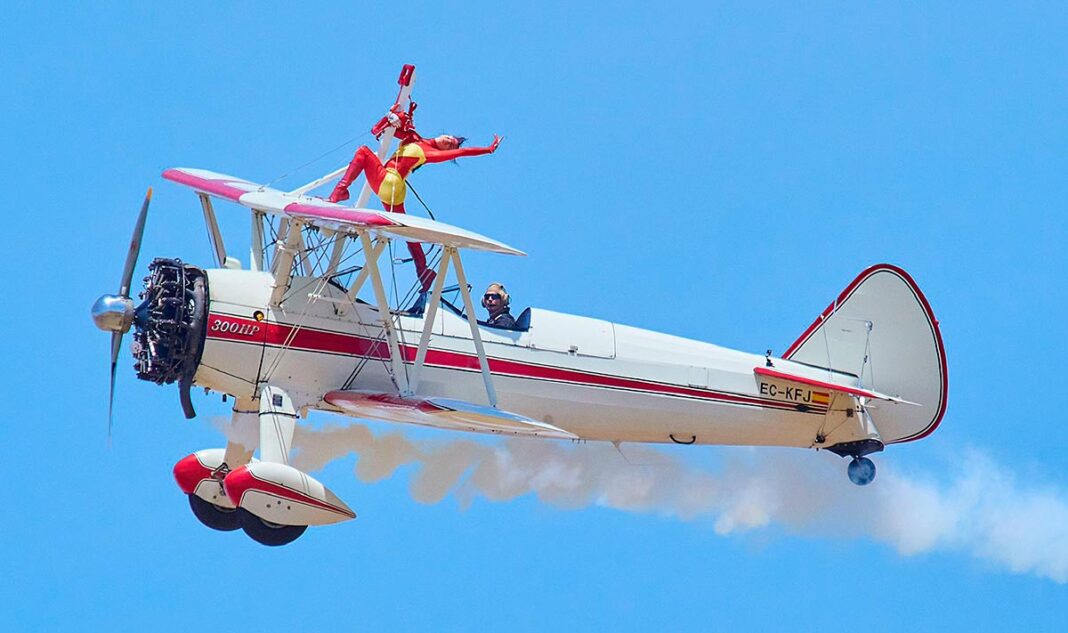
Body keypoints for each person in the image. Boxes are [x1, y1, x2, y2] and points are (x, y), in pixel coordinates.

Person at [327, 116, 501, 292]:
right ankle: (422, 271)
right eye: (450, 138)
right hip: (393, 189)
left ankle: (339, 192)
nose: (448, 141)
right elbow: (392, 129)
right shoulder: (416, 138)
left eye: (450, 145)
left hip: (390, 181)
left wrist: (488, 149)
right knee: (407, 231)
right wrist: (400, 115)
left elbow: (462, 152)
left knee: (364, 152)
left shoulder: (430, 153)